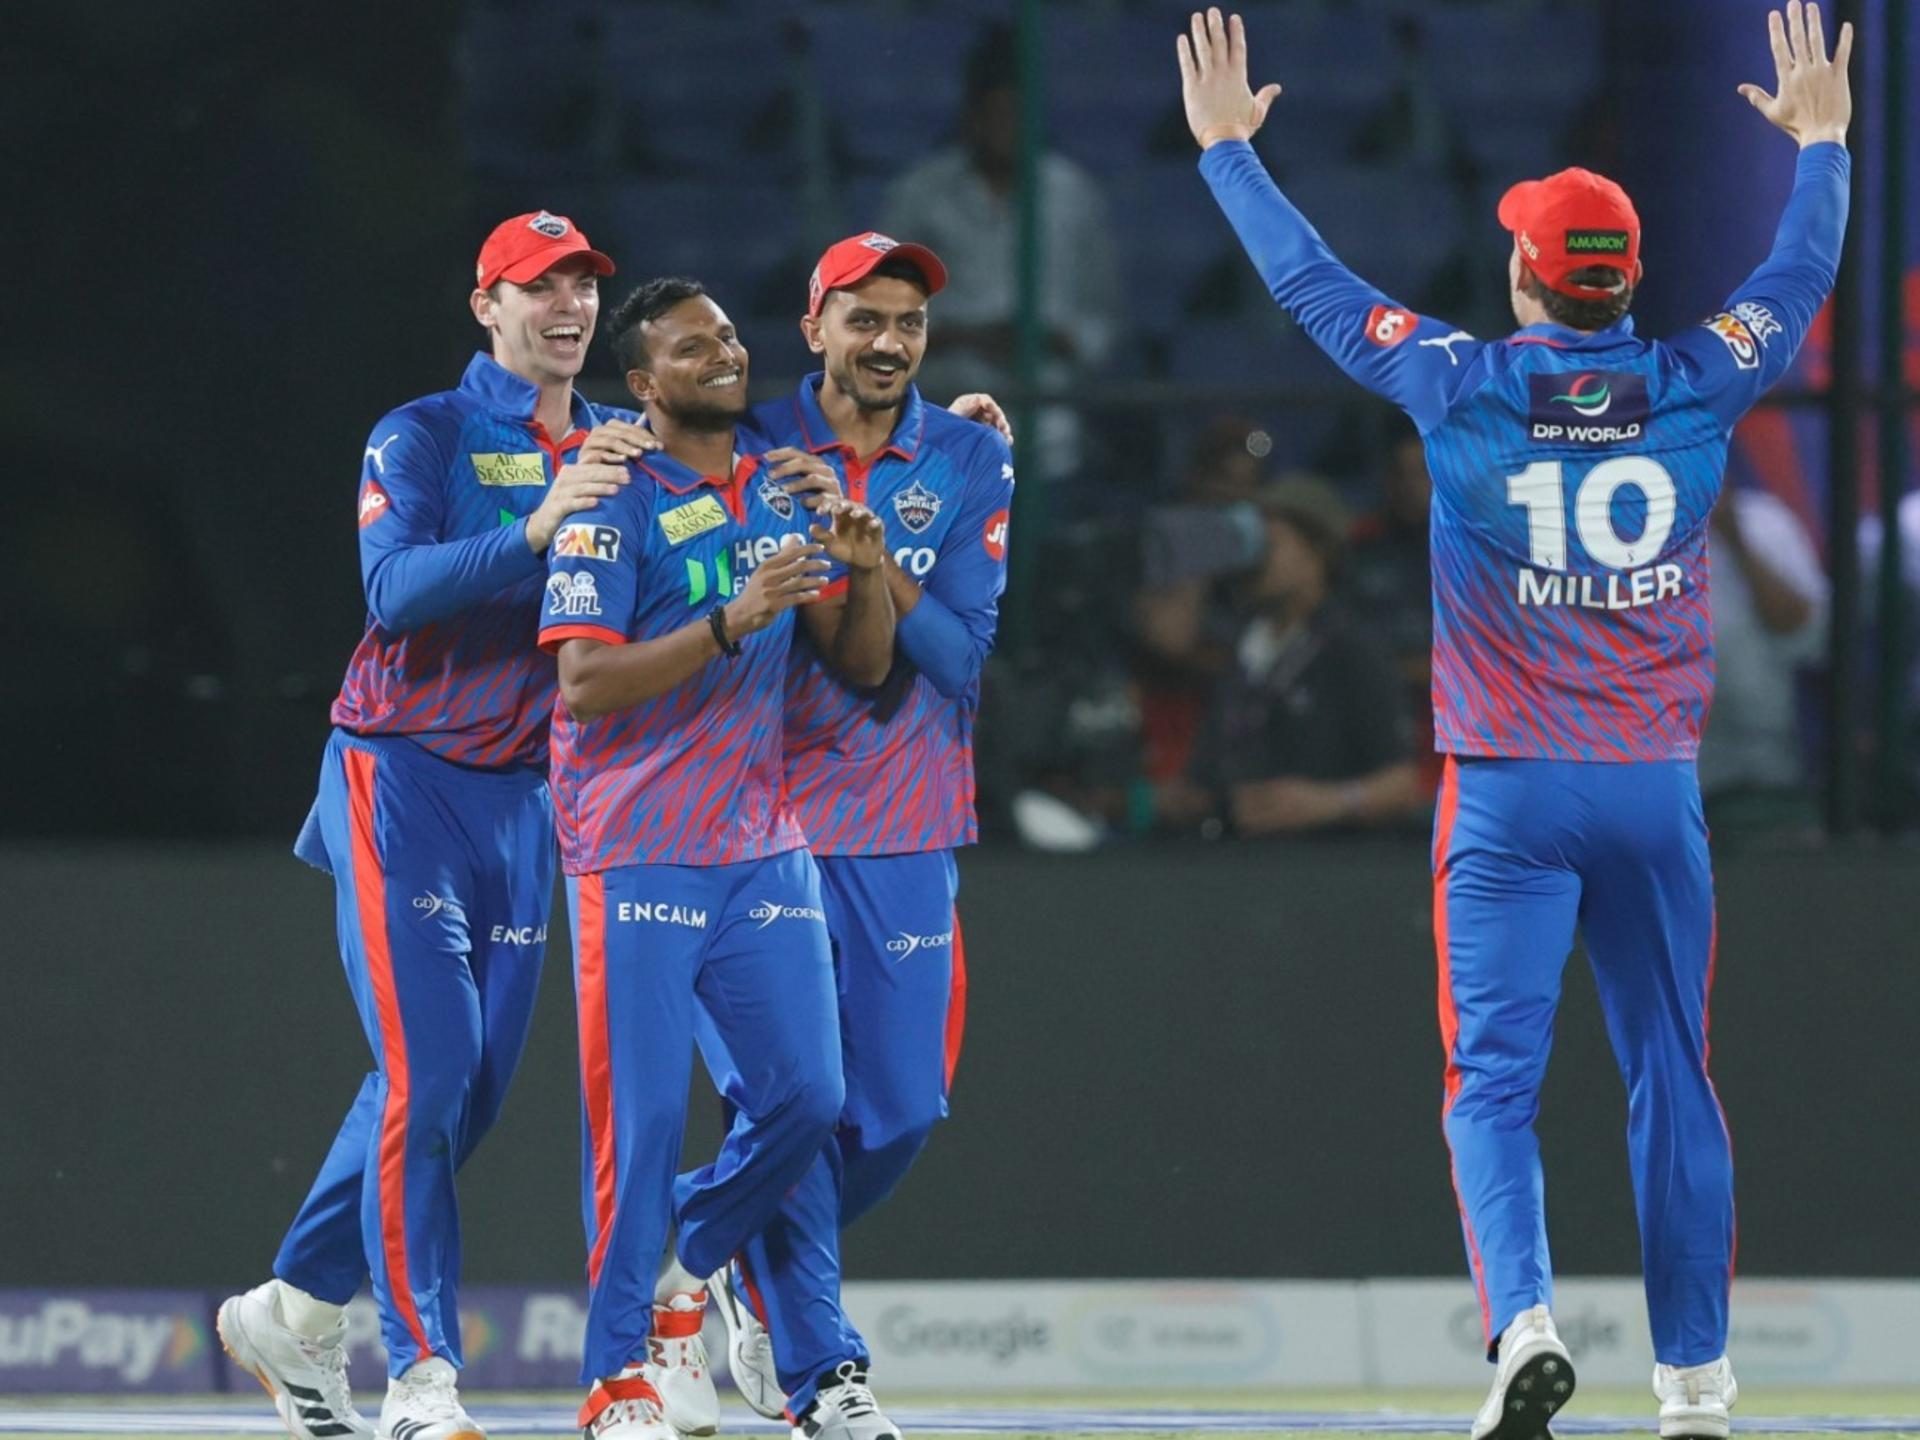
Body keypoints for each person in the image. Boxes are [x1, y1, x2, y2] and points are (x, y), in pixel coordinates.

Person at [1176, 5, 1850, 1438]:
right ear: (1631, 278)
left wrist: (1231, 152)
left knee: (1491, 1087)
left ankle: (1526, 1325)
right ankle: (1696, 1381)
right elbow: (1797, 278)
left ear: (1526, 276)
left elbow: (1312, 286)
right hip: (1653, 790)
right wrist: (1826, 145)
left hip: (1508, 793)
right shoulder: (1700, 378)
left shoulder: (1459, 382)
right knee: (1673, 1075)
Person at [217, 211, 647, 1440]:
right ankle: (423, 1375)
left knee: (468, 1093)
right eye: (539, 286)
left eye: (581, 285)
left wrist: (945, 434)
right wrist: (540, 524)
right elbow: (394, 592)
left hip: (529, 801)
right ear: (485, 306)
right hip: (400, 778)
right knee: (433, 1072)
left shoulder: (623, 443)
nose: (567, 306)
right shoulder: (424, 432)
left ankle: (294, 1306)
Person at [648, 232, 1013, 1440]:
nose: (890, 342)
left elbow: (958, 660)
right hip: (755, 820)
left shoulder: (970, 456)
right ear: (814, 329)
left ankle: (694, 1253)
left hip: (906, 821)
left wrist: (873, 555)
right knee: (793, 1104)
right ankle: (826, 1375)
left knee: (899, 1113)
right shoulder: (746, 442)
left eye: (908, 322)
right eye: (865, 318)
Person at [538, 277, 894, 1440]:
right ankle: (614, 1382)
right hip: (635, 843)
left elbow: (862, 663)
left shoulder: (782, 488)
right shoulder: (610, 501)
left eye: (730, 338)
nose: (725, 356)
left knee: (809, 1097)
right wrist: (730, 621)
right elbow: (584, 683)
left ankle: (689, 1262)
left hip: (761, 842)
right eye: (693, 348)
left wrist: (865, 566)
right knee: (639, 1127)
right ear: (644, 384)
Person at [880, 21, 1121, 481]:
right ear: (971, 116)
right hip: (942, 411)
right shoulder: (921, 193)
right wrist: (966, 336)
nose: (1004, 126)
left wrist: (1048, 339)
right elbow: (881, 305)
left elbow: (1101, 316)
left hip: (1050, 423)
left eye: (1016, 113)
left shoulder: (1072, 194)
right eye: (994, 113)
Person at [1159, 477, 1421, 836]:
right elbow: (1168, 639)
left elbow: (1402, 785)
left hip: (1322, 858)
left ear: (1317, 552)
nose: (1255, 558)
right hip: (1234, 854)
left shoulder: (1352, 647)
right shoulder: (1245, 643)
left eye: (1271, 542)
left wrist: (1329, 802)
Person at [1698, 483, 1829, 819]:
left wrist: (1734, 535)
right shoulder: (1622, 531)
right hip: (1672, 772)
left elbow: (1808, 636)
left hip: (1769, 768)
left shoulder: (1765, 520)